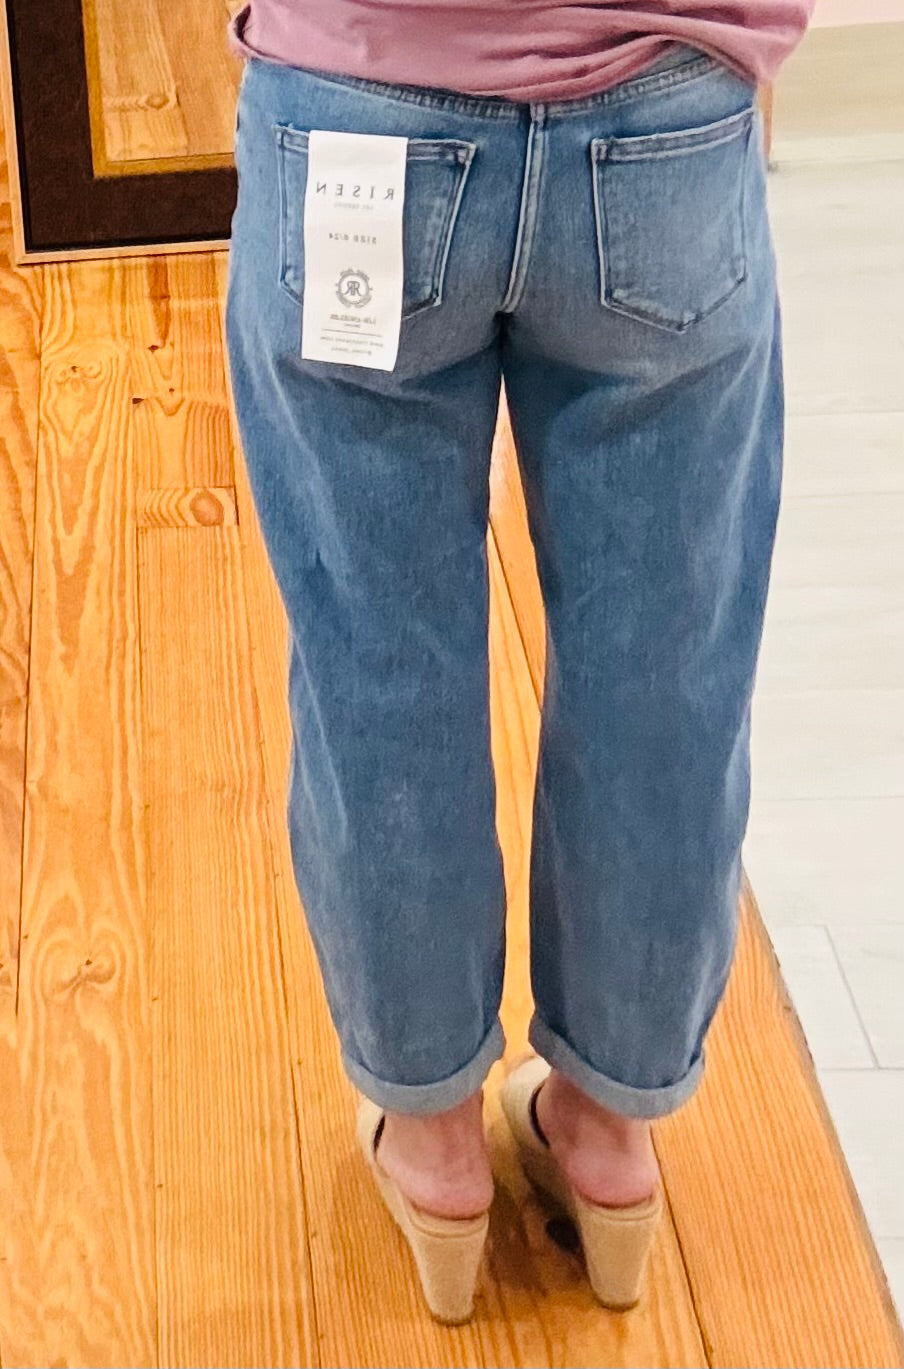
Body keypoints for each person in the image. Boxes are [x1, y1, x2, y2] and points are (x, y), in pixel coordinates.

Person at [224, 0, 813, 1325]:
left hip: (359, 104)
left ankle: (434, 1140)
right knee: (662, 664)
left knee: (378, 662)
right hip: (665, 115)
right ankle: (607, 1128)